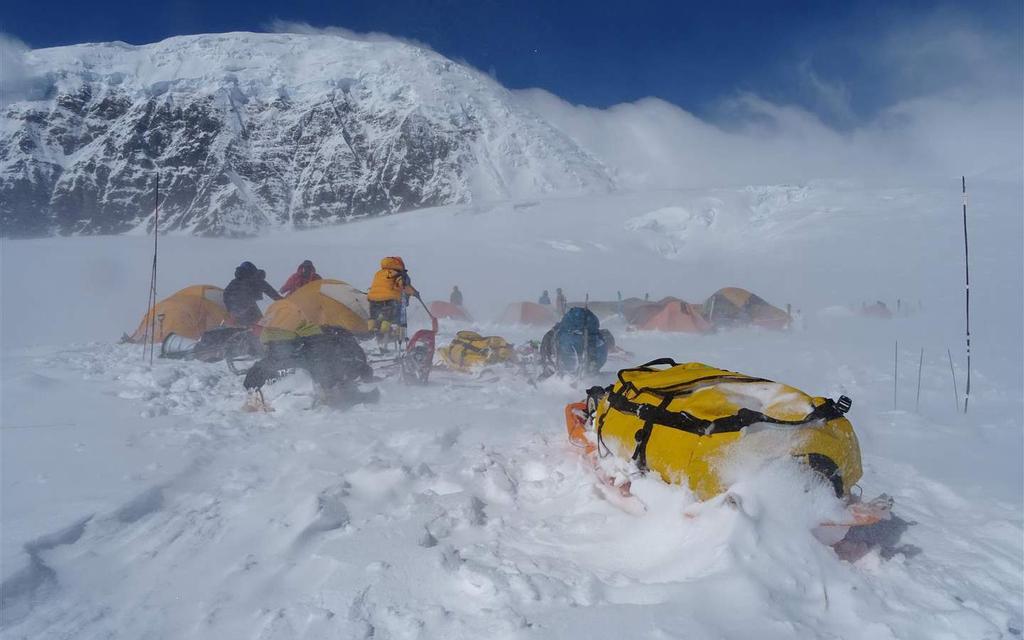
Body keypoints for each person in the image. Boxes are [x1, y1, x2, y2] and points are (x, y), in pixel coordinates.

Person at [367, 256, 418, 345]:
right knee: (388, 318)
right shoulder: (397, 274)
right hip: (389, 299)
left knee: (374, 317)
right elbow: (404, 286)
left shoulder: (379, 273)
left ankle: (372, 329)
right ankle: (383, 332)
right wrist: (414, 293)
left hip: (373, 299)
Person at [223, 261, 282, 326]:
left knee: (238, 322)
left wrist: (230, 309)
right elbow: (272, 293)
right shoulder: (257, 279)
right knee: (259, 324)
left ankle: (229, 328)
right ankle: (255, 332)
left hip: (233, 307)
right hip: (247, 305)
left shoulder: (234, 282)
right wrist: (284, 301)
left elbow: (226, 294)